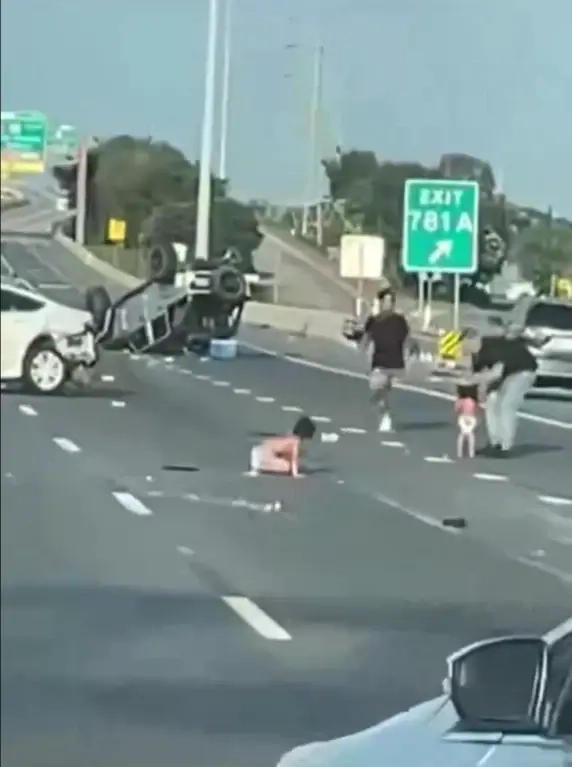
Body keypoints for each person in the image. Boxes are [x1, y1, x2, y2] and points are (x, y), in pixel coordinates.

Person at [472, 322, 538, 456]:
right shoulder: (487, 347)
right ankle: (494, 442)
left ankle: (505, 446)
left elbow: (495, 373)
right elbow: (482, 371)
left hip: (523, 371)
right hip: (507, 372)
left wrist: (480, 386)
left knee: (506, 405)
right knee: (492, 402)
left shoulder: (491, 347)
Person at [354, 287, 410, 433]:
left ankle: (387, 416)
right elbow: (366, 337)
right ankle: (385, 415)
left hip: (396, 364)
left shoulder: (400, 320)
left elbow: (407, 340)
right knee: (378, 391)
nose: (388, 304)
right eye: (385, 301)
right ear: (381, 303)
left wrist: (409, 354)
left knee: (386, 393)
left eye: (391, 302)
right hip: (379, 362)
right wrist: (362, 349)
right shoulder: (374, 320)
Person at [248, 416, 316, 477]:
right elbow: (294, 459)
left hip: (259, 449)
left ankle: (259, 464)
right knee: (287, 467)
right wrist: (296, 474)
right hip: (264, 455)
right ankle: (260, 466)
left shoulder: (290, 435)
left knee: (287, 459)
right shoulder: (296, 441)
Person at [454, 381, 480, 458]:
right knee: (471, 434)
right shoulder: (474, 401)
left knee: (462, 434)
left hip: (463, 417)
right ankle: (471, 452)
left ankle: (460, 452)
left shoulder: (461, 400)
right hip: (472, 418)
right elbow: (476, 409)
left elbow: (456, 409)